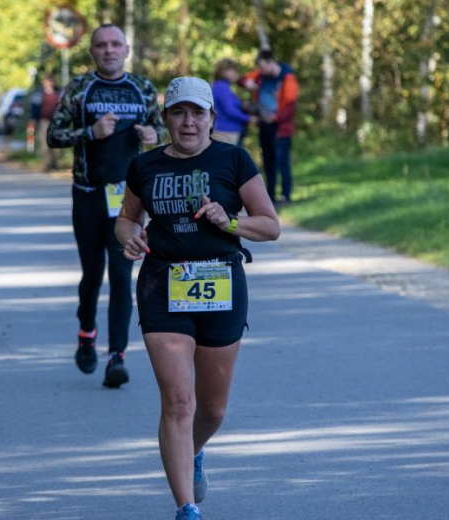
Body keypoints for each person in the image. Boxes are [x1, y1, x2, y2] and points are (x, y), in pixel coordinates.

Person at [115, 77, 280, 520]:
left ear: (211, 118)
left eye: (197, 113)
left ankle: (193, 451)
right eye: (179, 113)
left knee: (212, 409)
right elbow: (126, 219)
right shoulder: (145, 165)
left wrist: (229, 223)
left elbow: (270, 226)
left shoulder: (233, 159)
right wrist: (130, 237)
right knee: (178, 402)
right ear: (166, 118)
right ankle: (186, 508)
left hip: (221, 286)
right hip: (162, 286)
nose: (188, 122)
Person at [47, 24, 166, 388]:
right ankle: (86, 332)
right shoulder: (80, 88)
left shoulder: (142, 88)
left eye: (116, 44)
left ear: (126, 50)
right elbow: (54, 135)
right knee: (91, 274)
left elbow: (164, 130)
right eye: (102, 45)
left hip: (127, 198)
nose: (109, 50)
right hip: (87, 194)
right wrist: (91, 133)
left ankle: (117, 356)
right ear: (93, 52)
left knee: (120, 274)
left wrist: (154, 135)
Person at [238, 49, 299, 203]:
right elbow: (240, 79)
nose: (261, 70)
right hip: (264, 125)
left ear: (271, 62)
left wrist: (276, 117)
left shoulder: (288, 78)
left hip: (280, 128)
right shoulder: (260, 76)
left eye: (263, 66)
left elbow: (290, 106)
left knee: (282, 161)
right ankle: (270, 196)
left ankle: (285, 195)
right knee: (268, 162)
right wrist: (246, 83)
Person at [211, 59, 252, 146]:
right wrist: (248, 118)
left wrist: (241, 105)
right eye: (231, 70)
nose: (234, 72)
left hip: (228, 131)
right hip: (226, 131)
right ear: (223, 71)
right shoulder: (221, 87)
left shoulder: (223, 85)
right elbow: (229, 110)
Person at [29, 74, 61, 170]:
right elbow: (35, 107)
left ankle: (55, 162)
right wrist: (34, 119)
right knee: (45, 142)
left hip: (56, 121)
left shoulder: (59, 92)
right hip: (44, 121)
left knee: (56, 142)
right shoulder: (39, 93)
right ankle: (47, 163)